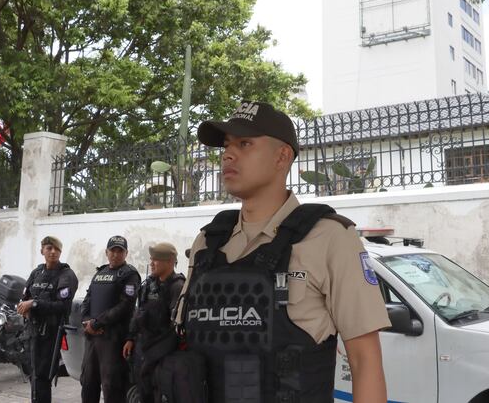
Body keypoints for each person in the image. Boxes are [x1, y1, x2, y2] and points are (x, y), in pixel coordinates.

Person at [179, 100, 390, 403]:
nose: (227, 154)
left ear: (282, 157)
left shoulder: (329, 237)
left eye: (245, 143)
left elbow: (364, 360)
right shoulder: (207, 243)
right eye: (226, 145)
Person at [80, 235, 141, 403]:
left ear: (126, 253)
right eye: (112, 250)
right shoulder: (100, 273)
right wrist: (86, 322)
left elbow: (126, 306)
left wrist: (97, 322)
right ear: (106, 252)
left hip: (112, 339)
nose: (115, 254)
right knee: (88, 383)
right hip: (92, 338)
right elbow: (87, 301)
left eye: (119, 251)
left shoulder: (130, 275)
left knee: (112, 387)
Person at [18, 236, 78, 403]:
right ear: (42, 250)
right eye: (49, 248)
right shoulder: (37, 272)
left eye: (56, 249)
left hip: (50, 332)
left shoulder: (66, 275)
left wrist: (34, 304)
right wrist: (24, 308)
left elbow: (62, 306)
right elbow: (25, 297)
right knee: (34, 375)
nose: (53, 252)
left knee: (43, 377)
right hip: (32, 331)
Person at [123, 242, 185, 403]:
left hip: (162, 349)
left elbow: (176, 325)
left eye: (156, 259)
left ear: (170, 261)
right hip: (143, 346)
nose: (151, 263)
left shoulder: (177, 286)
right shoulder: (149, 285)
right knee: (143, 390)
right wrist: (130, 338)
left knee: (161, 392)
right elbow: (139, 312)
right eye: (151, 259)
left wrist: (160, 349)